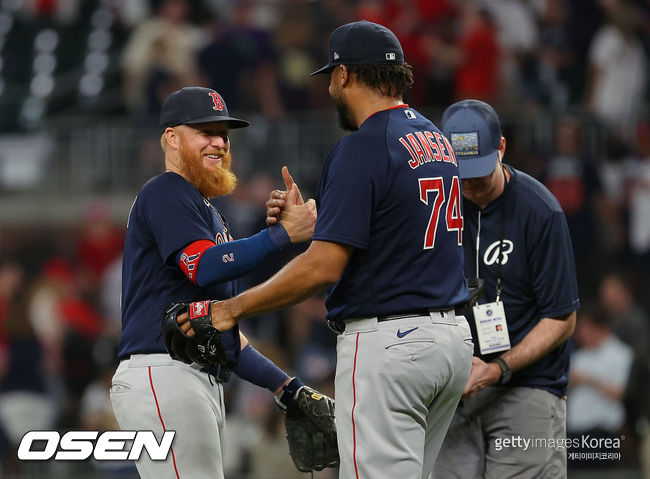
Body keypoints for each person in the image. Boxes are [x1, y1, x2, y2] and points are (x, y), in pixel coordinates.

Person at [179, 20, 473, 479]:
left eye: (332, 77)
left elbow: (323, 267)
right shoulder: (436, 139)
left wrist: (231, 308)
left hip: (391, 344)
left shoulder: (362, 145)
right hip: (450, 342)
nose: (331, 89)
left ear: (345, 75)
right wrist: (316, 222)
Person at [110, 86, 320, 479]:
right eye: (204, 131)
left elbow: (222, 329)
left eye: (223, 134)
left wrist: (284, 387)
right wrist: (279, 237)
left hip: (193, 377)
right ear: (172, 138)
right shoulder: (165, 191)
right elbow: (204, 266)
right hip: (164, 372)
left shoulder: (209, 213)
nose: (219, 142)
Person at [432, 99, 580, 478]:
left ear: (501, 148)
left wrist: (496, 369)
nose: (470, 186)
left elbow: (561, 319)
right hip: (454, 391)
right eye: (459, 175)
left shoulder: (540, 211)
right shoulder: (433, 207)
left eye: (479, 174)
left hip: (527, 387)